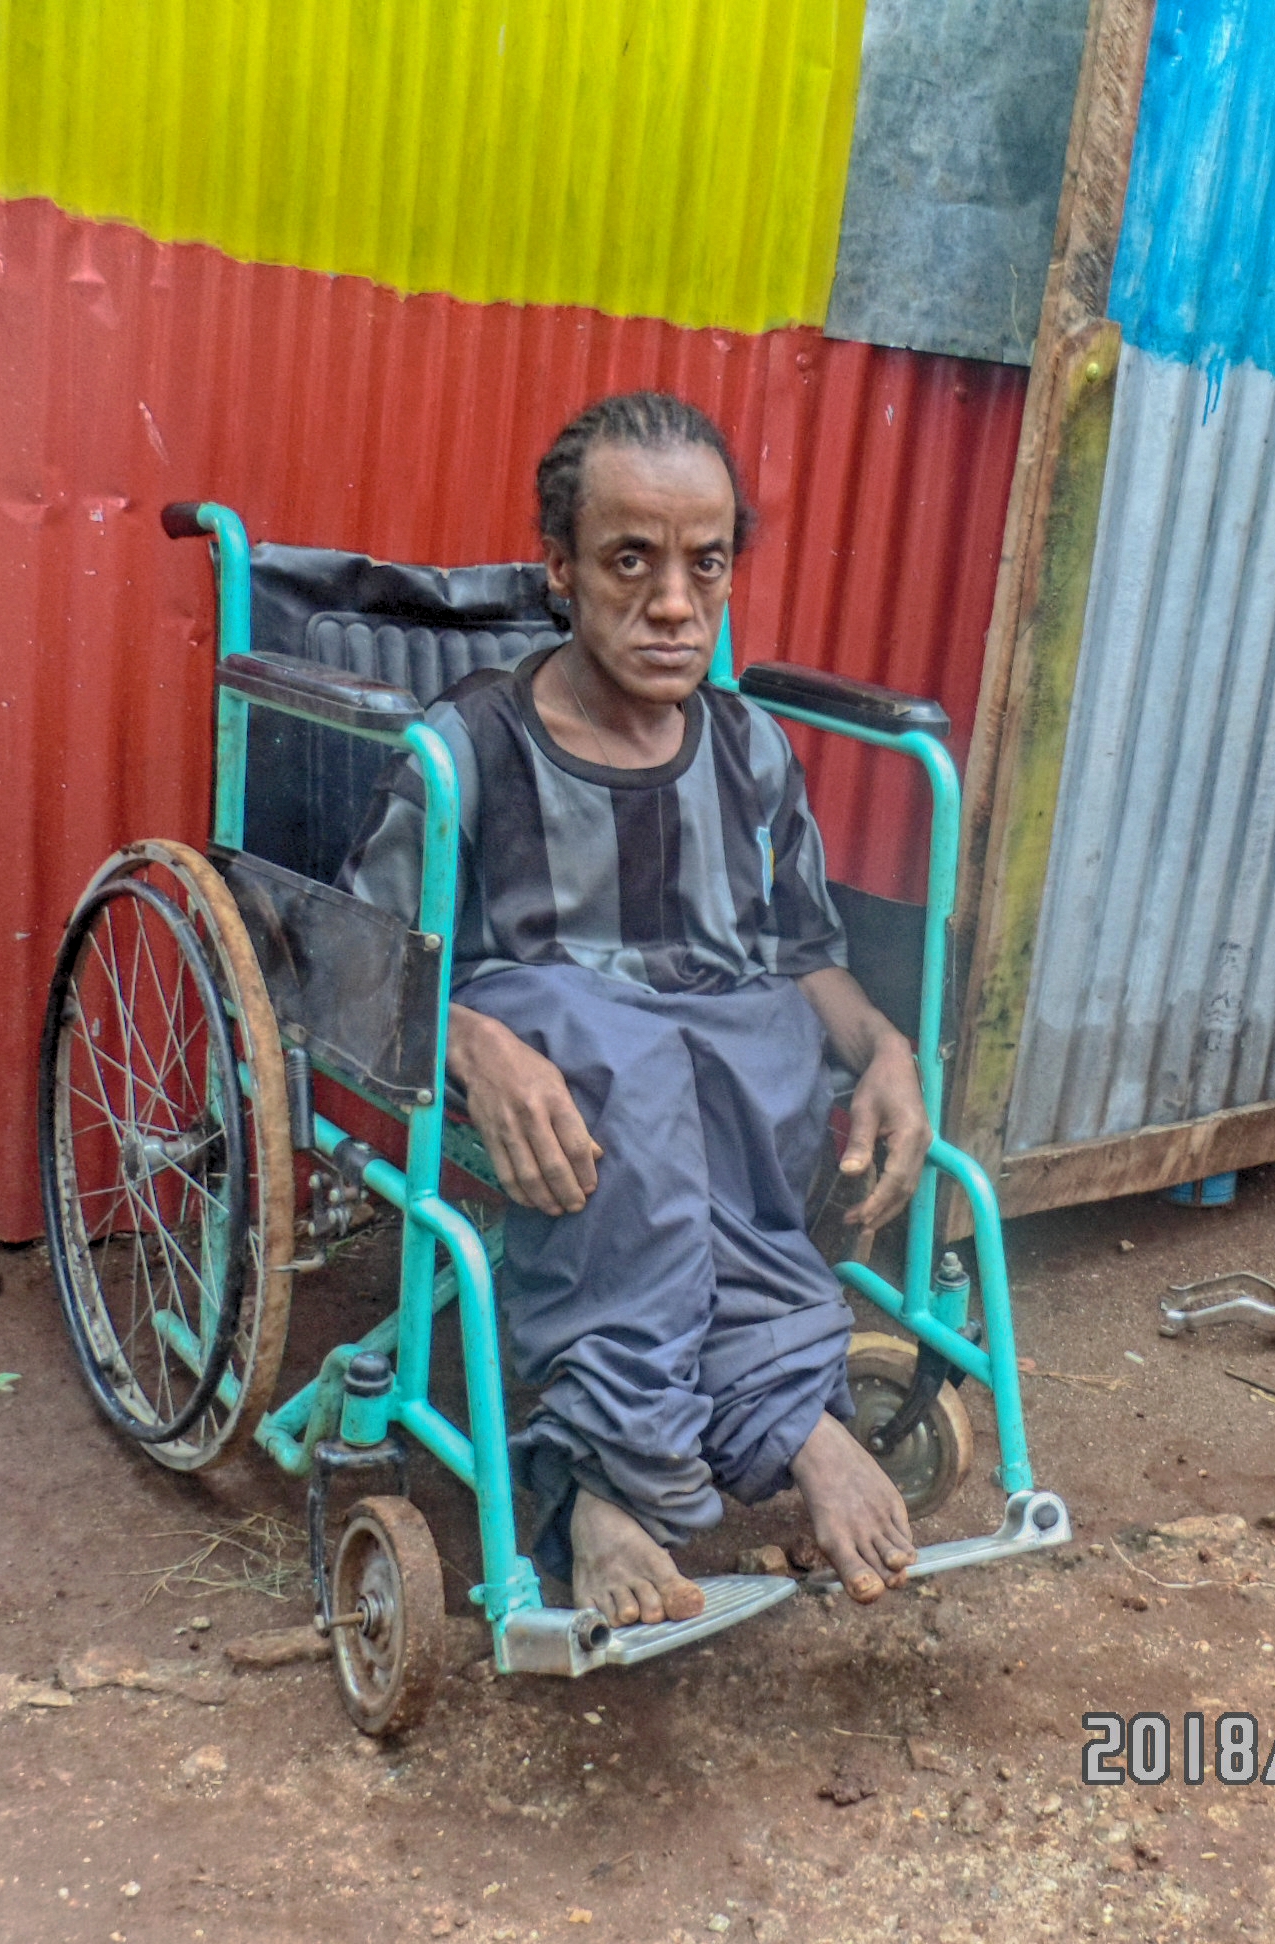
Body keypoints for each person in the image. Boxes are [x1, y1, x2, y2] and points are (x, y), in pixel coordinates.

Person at [340, 392, 932, 1623]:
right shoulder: (469, 751)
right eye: (629, 561)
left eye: (704, 564)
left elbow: (806, 956)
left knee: (746, 1048)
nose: (675, 603)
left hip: (719, 1070)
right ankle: (669, 1457)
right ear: (557, 568)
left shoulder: (753, 753)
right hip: (556, 1050)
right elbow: (362, 958)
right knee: (622, 1060)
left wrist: (886, 1050)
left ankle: (684, 1446)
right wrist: (468, 1037)